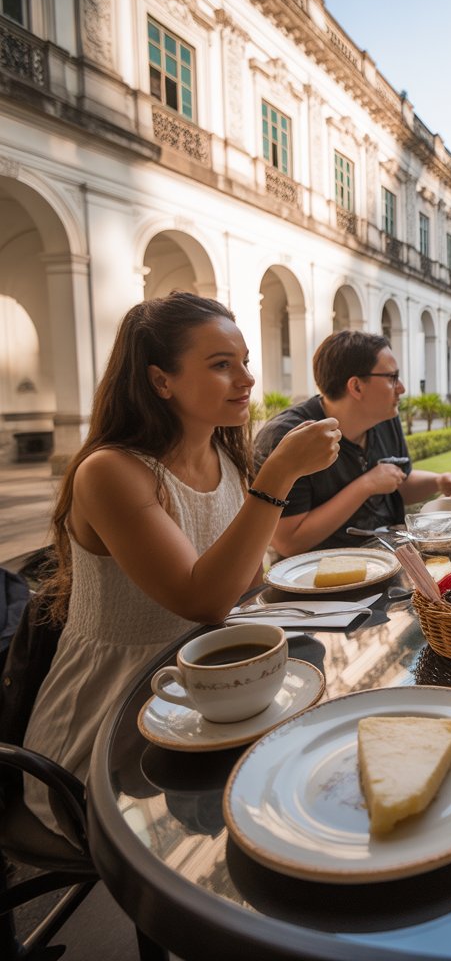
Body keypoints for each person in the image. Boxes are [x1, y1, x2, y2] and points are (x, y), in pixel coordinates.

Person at [22, 292, 341, 835]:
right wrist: (279, 476)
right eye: (221, 365)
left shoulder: (223, 456)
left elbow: (245, 584)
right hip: (109, 730)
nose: (246, 379)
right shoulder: (110, 472)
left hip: (209, 699)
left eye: (244, 362)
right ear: (160, 380)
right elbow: (204, 598)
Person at [253, 331, 451, 556]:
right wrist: (365, 486)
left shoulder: (385, 418)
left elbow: (396, 482)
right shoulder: (291, 437)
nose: (401, 388)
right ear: (356, 387)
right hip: (321, 577)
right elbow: (288, 541)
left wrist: (438, 481)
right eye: (392, 377)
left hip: (390, 559)